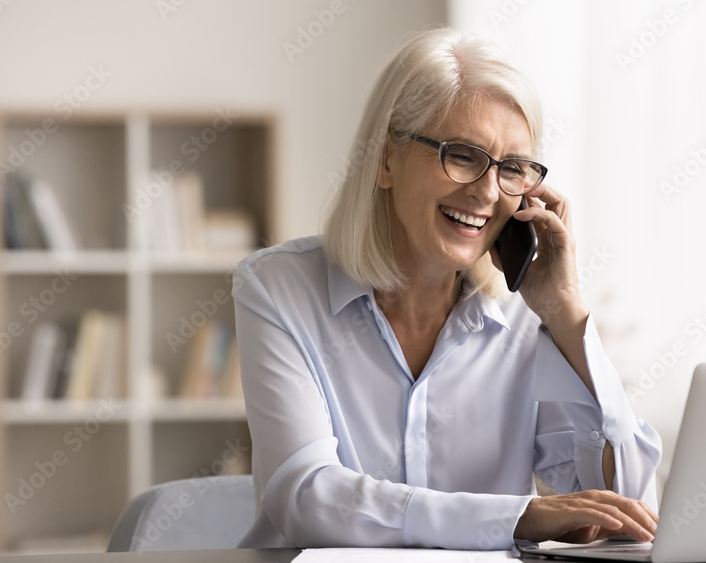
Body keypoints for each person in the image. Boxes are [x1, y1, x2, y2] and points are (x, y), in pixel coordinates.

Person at [234, 27, 662, 550]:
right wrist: (517, 518)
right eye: (462, 155)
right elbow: (307, 498)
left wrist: (566, 312)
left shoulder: (527, 314)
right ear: (386, 158)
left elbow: (632, 512)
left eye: (513, 168)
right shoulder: (279, 289)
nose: (486, 191)